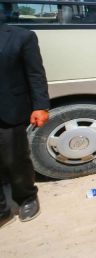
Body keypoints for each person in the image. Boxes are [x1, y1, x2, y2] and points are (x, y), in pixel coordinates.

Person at [0, 18, 50, 226]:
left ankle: (26, 197)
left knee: (15, 159)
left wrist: (41, 106)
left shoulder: (22, 36)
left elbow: (35, 74)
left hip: (8, 109)